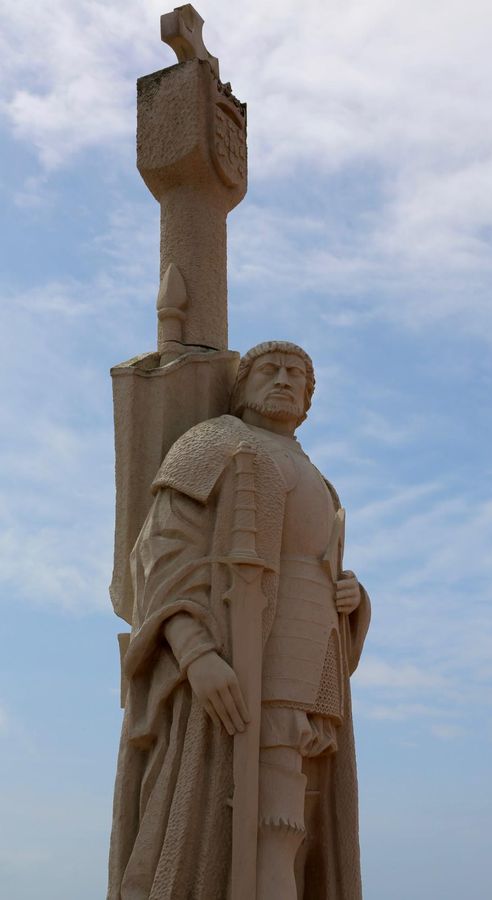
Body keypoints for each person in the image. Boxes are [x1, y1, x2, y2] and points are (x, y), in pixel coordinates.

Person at [108, 340, 370, 900]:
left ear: (308, 400)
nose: (284, 380)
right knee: (249, 815)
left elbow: (322, 565)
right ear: (241, 384)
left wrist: (352, 597)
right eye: (270, 370)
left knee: (299, 813)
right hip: (242, 646)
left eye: (297, 374)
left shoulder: (322, 481)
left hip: (311, 654)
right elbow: (161, 552)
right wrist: (195, 651)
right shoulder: (214, 442)